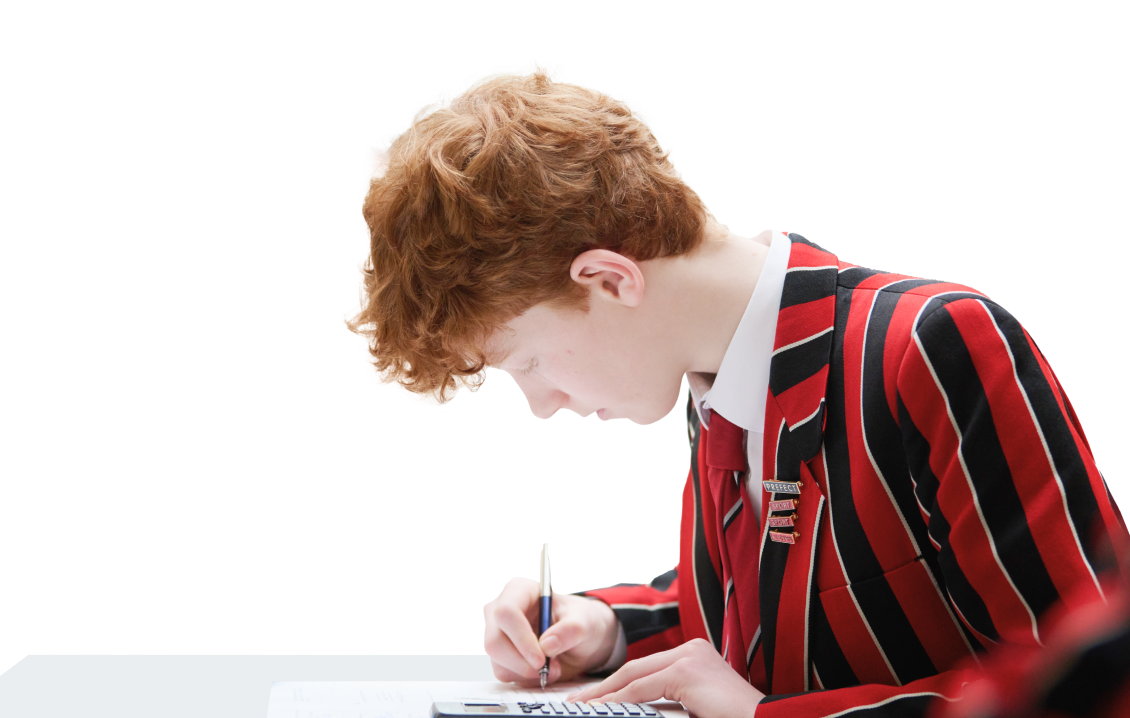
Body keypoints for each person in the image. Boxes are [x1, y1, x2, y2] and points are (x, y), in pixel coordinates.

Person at [342, 60, 1128, 718]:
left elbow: (1086, 685)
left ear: (610, 280)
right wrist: (606, 625)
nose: (544, 405)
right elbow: (765, 621)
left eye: (526, 364)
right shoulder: (715, 381)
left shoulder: (930, 345)